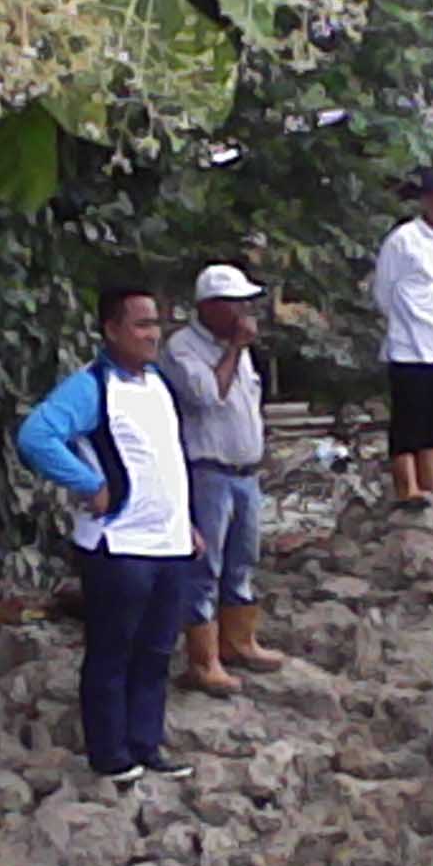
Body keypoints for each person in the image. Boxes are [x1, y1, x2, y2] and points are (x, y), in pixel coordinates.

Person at [17, 286, 198, 784]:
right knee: (113, 650)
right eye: (140, 324)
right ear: (112, 330)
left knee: (158, 651)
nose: (152, 333)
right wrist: (88, 483)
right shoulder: (92, 386)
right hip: (118, 543)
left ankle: (146, 743)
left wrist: (188, 524)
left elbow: (167, 461)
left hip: (169, 543)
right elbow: (36, 435)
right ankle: (110, 755)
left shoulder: (158, 384)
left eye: (155, 322)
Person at [160, 264, 286, 697]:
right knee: (204, 567)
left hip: (244, 472)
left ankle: (239, 641)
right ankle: (203, 659)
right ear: (210, 306)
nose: (242, 311)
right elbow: (207, 395)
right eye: (234, 303)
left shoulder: (240, 350)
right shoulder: (183, 348)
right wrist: (233, 348)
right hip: (208, 472)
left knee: (242, 559)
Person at [372, 167, 433, 509]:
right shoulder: (403, 240)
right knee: (408, 418)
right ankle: (407, 484)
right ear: (427, 200)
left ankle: (431, 479)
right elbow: (383, 291)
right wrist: (405, 320)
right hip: (410, 344)